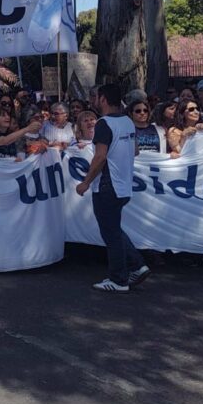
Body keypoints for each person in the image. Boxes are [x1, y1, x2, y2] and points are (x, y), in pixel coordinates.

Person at [75, 83, 149, 293]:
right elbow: (134, 150)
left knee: (110, 233)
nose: (93, 100)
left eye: (96, 96)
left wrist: (86, 182)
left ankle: (119, 279)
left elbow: (100, 156)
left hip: (108, 185)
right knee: (114, 229)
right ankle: (137, 266)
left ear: (104, 99)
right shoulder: (127, 121)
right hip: (123, 184)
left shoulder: (104, 124)